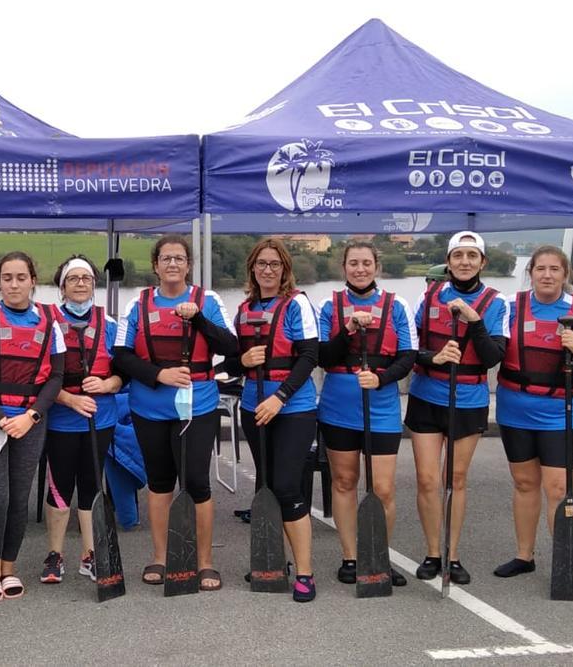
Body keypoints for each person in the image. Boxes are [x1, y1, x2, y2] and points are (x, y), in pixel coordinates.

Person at [114, 235, 238, 592]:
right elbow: (121, 356)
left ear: (188, 265)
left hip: (197, 406)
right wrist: (158, 375)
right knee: (159, 482)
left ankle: (204, 562)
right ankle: (161, 556)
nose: (172, 264)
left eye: (179, 259)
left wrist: (198, 320)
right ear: (155, 265)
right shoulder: (136, 304)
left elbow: (230, 347)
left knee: (197, 482)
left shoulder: (208, 300)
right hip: (149, 407)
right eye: (166, 258)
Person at [492, 246, 573, 577]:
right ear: (531, 272)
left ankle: (565, 560)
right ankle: (524, 556)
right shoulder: (512, 307)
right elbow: (492, 345)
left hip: (560, 410)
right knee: (525, 483)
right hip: (515, 408)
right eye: (540, 269)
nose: (547, 275)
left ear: (565, 274)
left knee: (557, 487)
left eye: (554, 269)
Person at [0, 252, 65, 602]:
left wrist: (31, 416)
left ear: (33, 280)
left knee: (19, 499)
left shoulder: (51, 321)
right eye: (7, 277)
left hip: (30, 419)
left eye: (21, 277)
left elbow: (57, 376)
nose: (14, 284)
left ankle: (10, 566)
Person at [406, 231, 509, 584]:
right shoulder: (430, 296)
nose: (464, 262)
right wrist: (432, 357)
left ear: (482, 262)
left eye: (472, 256)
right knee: (427, 479)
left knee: (456, 479)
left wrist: (473, 320)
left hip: (468, 400)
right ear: (448, 262)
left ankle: (452, 555)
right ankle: (433, 552)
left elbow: (494, 357)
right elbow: (408, 350)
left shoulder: (496, 302)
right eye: (458, 256)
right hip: (426, 397)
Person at [317, 240, 417, 591]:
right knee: (344, 482)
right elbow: (323, 356)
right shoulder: (330, 305)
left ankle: (377, 555)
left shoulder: (396, 304)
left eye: (366, 263)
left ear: (377, 266)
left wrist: (381, 378)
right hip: (339, 406)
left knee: (383, 489)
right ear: (343, 268)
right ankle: (349, 557)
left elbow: (408, 356)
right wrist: (347, 331)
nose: (360, 269)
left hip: (382, 405)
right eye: (353, 263)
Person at [228, 238, 319, 601]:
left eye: (275, 264)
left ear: (284, 269)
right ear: (252, 268)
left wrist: (280, 398)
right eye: (262, 264)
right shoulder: (243, 309)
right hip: (253, 408)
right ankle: (271, 560)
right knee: (264, 484)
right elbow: (234, 362)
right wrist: (243, 362)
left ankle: (306, 573)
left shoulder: (297, 304)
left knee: (286, 486)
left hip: (293, 407)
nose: (268, 270)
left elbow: (310, 356)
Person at [40, 254, 124, 584]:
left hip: (99, 419)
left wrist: (106, 384)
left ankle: (91, 555)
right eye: (72, 279)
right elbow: (39, 376)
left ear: (94, 285)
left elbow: (123, 374)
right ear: (61, 287)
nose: (79, 284)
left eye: (86, 279)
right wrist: (69, 398)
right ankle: (55, 554)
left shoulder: (111, 324)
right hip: (61, 418)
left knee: (91, 485)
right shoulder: (46, 322)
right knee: (59, 487)